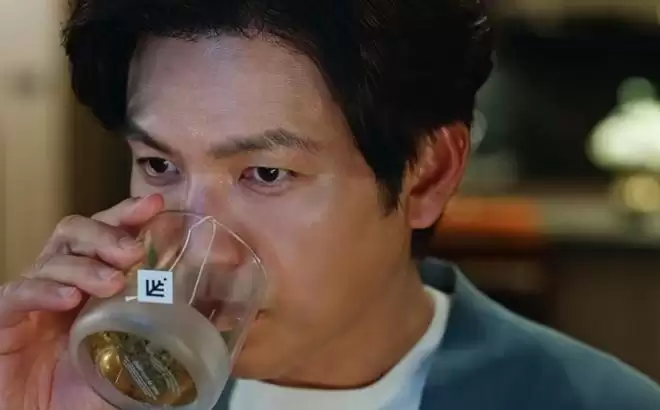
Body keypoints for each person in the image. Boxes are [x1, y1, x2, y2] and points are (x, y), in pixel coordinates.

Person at [1, 0, 659, 409]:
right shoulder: (113, 387)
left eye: (266, 173)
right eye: (159, 165)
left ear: (428, 175)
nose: (196, 250)